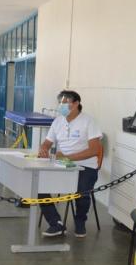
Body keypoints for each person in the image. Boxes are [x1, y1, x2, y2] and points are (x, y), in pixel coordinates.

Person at [37, 90, 102, 238]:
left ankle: (80, 221)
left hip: (86, 165)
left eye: (65, 102)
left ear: (76, 104)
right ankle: (56, 223)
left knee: (82, 191)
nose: (61, 106)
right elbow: (47, 142)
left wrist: (68, 157)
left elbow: (94, 150)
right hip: (62, 164)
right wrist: (43, 149)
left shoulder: (89, 121)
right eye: (60, 103)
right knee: (40, 185)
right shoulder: (58, 121)